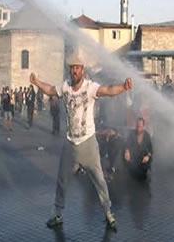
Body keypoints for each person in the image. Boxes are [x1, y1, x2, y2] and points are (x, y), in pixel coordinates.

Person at [29, 55, 133, 229]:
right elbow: (50, 90)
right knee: (62, 180)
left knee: (99, 180)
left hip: (88, 143)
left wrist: (123, 87)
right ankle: (58, 214)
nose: (74, 70)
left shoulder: (90, 87)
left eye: (77, 68)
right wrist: (36, 81)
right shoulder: (65, 87)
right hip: (70, 143)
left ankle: (108, 213)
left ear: (82, 70)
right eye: (72, 68)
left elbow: (108, 90)